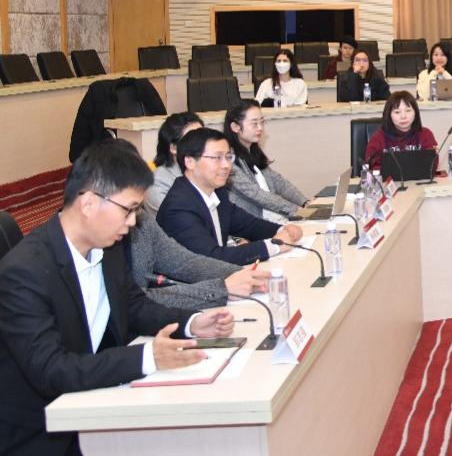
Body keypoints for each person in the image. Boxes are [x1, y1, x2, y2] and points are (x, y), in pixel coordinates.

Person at [0, 141, 234, 454]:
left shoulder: (107, 247)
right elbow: (51, 370)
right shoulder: (24, 271)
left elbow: (133, 306)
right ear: (88, 204)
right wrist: (147, 357)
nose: (133, 222)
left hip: (94, 401)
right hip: (42, 433)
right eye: (129, 209)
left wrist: (191, 323)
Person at [157, 127, 303, 265]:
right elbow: (212, 258)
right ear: (190, 162)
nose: (226, 165)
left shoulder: (218, 192)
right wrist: (273, 246)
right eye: (217, 158)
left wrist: (283, 230)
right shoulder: (178, 207)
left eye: (228, 157)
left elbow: (249, 225)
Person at [131, 210, 270, 309]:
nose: (131, 219)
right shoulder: (178, 206)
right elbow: (134, 303)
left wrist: (242, 274)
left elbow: (185, 262)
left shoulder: (141, 218)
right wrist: (221, 289)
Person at [224, 100, 311, 222]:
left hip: (278, 219)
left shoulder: (253, 152)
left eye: (262, 122)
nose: (260, 128)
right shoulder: (228, 161)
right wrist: (298, 211)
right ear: (235, 127)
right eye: (254, 123)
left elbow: (279, 182)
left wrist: (305, 202)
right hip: (258, 225)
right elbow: (256, 194)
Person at [363, 90, 439, 174]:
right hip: (388, 182)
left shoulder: (426, 135)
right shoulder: (378, 139)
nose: (403, 116)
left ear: (415, 112)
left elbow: (431, 167)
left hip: (419, 181)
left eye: (408, 110)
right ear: (389, 114)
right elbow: (372, 168)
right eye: (397, 112)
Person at [147, 111, 203, 215]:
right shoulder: (158, 184)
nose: (203, 145)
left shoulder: (213, 168)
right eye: (193, 139)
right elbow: (186, 219)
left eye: (203, 138)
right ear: (173, 148)